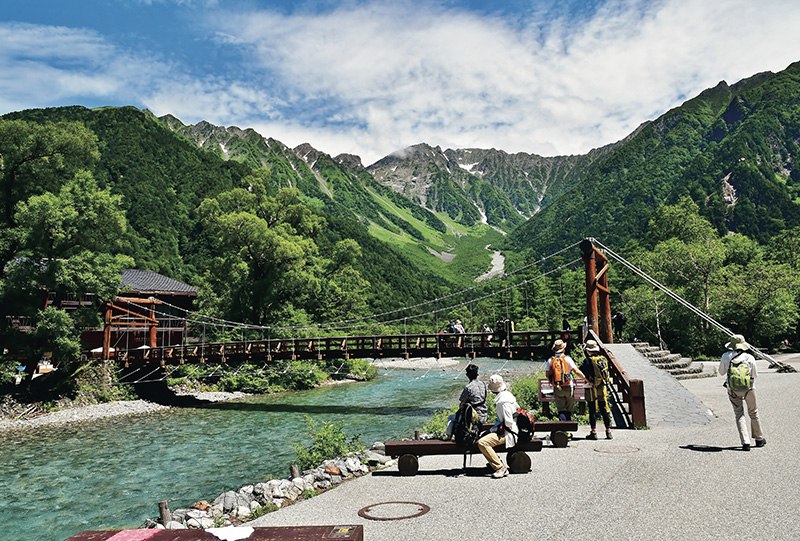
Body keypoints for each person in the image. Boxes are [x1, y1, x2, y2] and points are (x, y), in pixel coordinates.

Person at [719, 335, 766, 451]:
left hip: (733, 389)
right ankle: (759, 439)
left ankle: (745, 442)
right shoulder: (749, 357)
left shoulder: (726, 356)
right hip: (749, 388)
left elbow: (721, 372)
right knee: (753, 412)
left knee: (739, 414)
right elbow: (755, 375)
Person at [477, 374, 519, 478]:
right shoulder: (508, 395)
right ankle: (495, 460)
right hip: (512, 429)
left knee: (482, 443)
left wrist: (493, 430)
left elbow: (508, 422)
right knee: (484, 439)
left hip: (509, 432)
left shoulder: (503, 402)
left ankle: (500, 467)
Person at [545, 339, 586, 425]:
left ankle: (563, 429)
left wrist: (553, 383)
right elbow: (576, 371)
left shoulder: (550, 360)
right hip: (568, 385)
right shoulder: (567, 359)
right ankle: (568, 430)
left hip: (557, 387)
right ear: (563, 349)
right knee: (569, 409)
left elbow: (547, 374)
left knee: (561, 410)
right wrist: (586, 379)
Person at [580, 340, 613, 440]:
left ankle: (594, 432)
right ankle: (608, 431)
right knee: (604, 408)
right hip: (602, 387)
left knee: (592, 409)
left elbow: (581, 371)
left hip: (591, 387)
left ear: (588, 350)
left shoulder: (587, 361)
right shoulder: (603, 359)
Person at [445, 363, 488, 439]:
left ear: (467, 375)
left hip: (473, 417)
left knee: (451, 417)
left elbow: (461, 404)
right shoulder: (483, 384)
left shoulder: (468, 387)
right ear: (477, 374)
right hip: (484, 415)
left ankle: (449, 439)